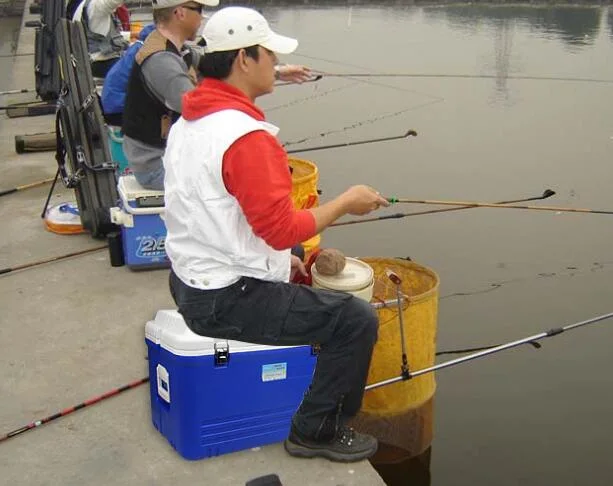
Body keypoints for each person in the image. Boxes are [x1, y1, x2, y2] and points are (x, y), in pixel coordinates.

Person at [163, 6, 390, 463]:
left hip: (189, 279)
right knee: (355, 321)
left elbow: (223, 216)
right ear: (244, 59)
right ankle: (316, 431)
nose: (274, 64)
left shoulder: (191, 120)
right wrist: (347, 202)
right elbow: (282, 226)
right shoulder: (246, 137)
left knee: (289, 255)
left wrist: (274, 259)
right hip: (224, 299)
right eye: (268, 54)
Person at [121, 0, 310, 190]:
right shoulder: (161, 60)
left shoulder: (176, 48)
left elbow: (218, 68)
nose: (202, 16)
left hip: (168, 154)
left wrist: (276, 72)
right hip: (155, 166)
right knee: (249, 179)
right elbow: (196, 105)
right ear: (180, 13)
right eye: (199, 9)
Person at [69, 0, 130, 77]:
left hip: (90, 62)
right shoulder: (96, 6)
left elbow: (100, 34)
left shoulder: (81, 6)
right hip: (103, 62)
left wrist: (132, 35)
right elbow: (114, 2)